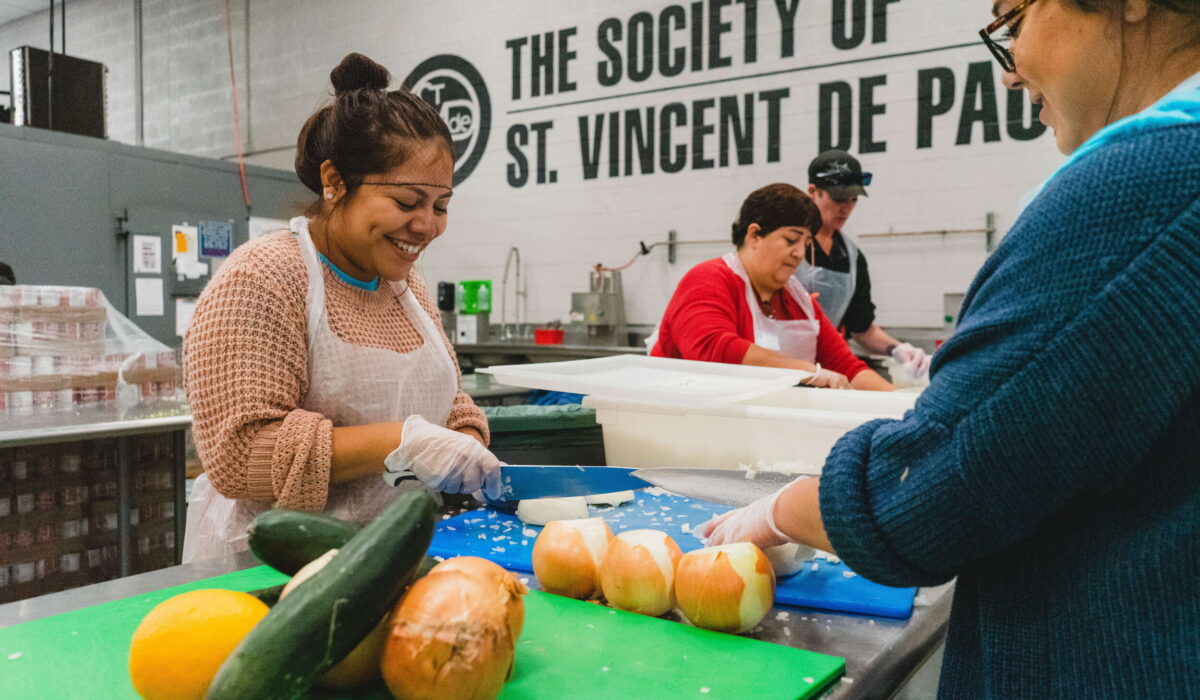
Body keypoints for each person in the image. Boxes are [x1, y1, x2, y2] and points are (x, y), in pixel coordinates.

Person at [701, 0, 1200, 695]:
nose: (1008, 70)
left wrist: (783, 506)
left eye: (1014, 20)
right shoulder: (712, 281)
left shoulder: (1139, 192)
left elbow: (924, 496)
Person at [181, 53, 501, 562]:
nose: (427, 226)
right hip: (276, 567)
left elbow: (451, 400)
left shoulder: (408, 290)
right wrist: (405, 441)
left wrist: (460, 441)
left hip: (392, 558)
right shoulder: (263, 279)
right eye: (406, 202)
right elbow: (240, 455)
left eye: (440, 207)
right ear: (335, 182)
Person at [650, 183, 894, 391]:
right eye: (791, 239)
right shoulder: (709, 280)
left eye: (806, 242)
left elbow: (846, 367)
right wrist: (807, 372)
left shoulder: (797, 300)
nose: (799, 253)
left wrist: (905, 404)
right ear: (754, 235)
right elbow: (714, 349)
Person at [797, 150, 931, 382]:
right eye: (838, 199)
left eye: (853, 199)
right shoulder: (788, 246)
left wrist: (898, 349)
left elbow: (862, 329)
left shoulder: (850, 256)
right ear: (812, 193)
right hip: (786, 368)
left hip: (832, 367)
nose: (846, 208)